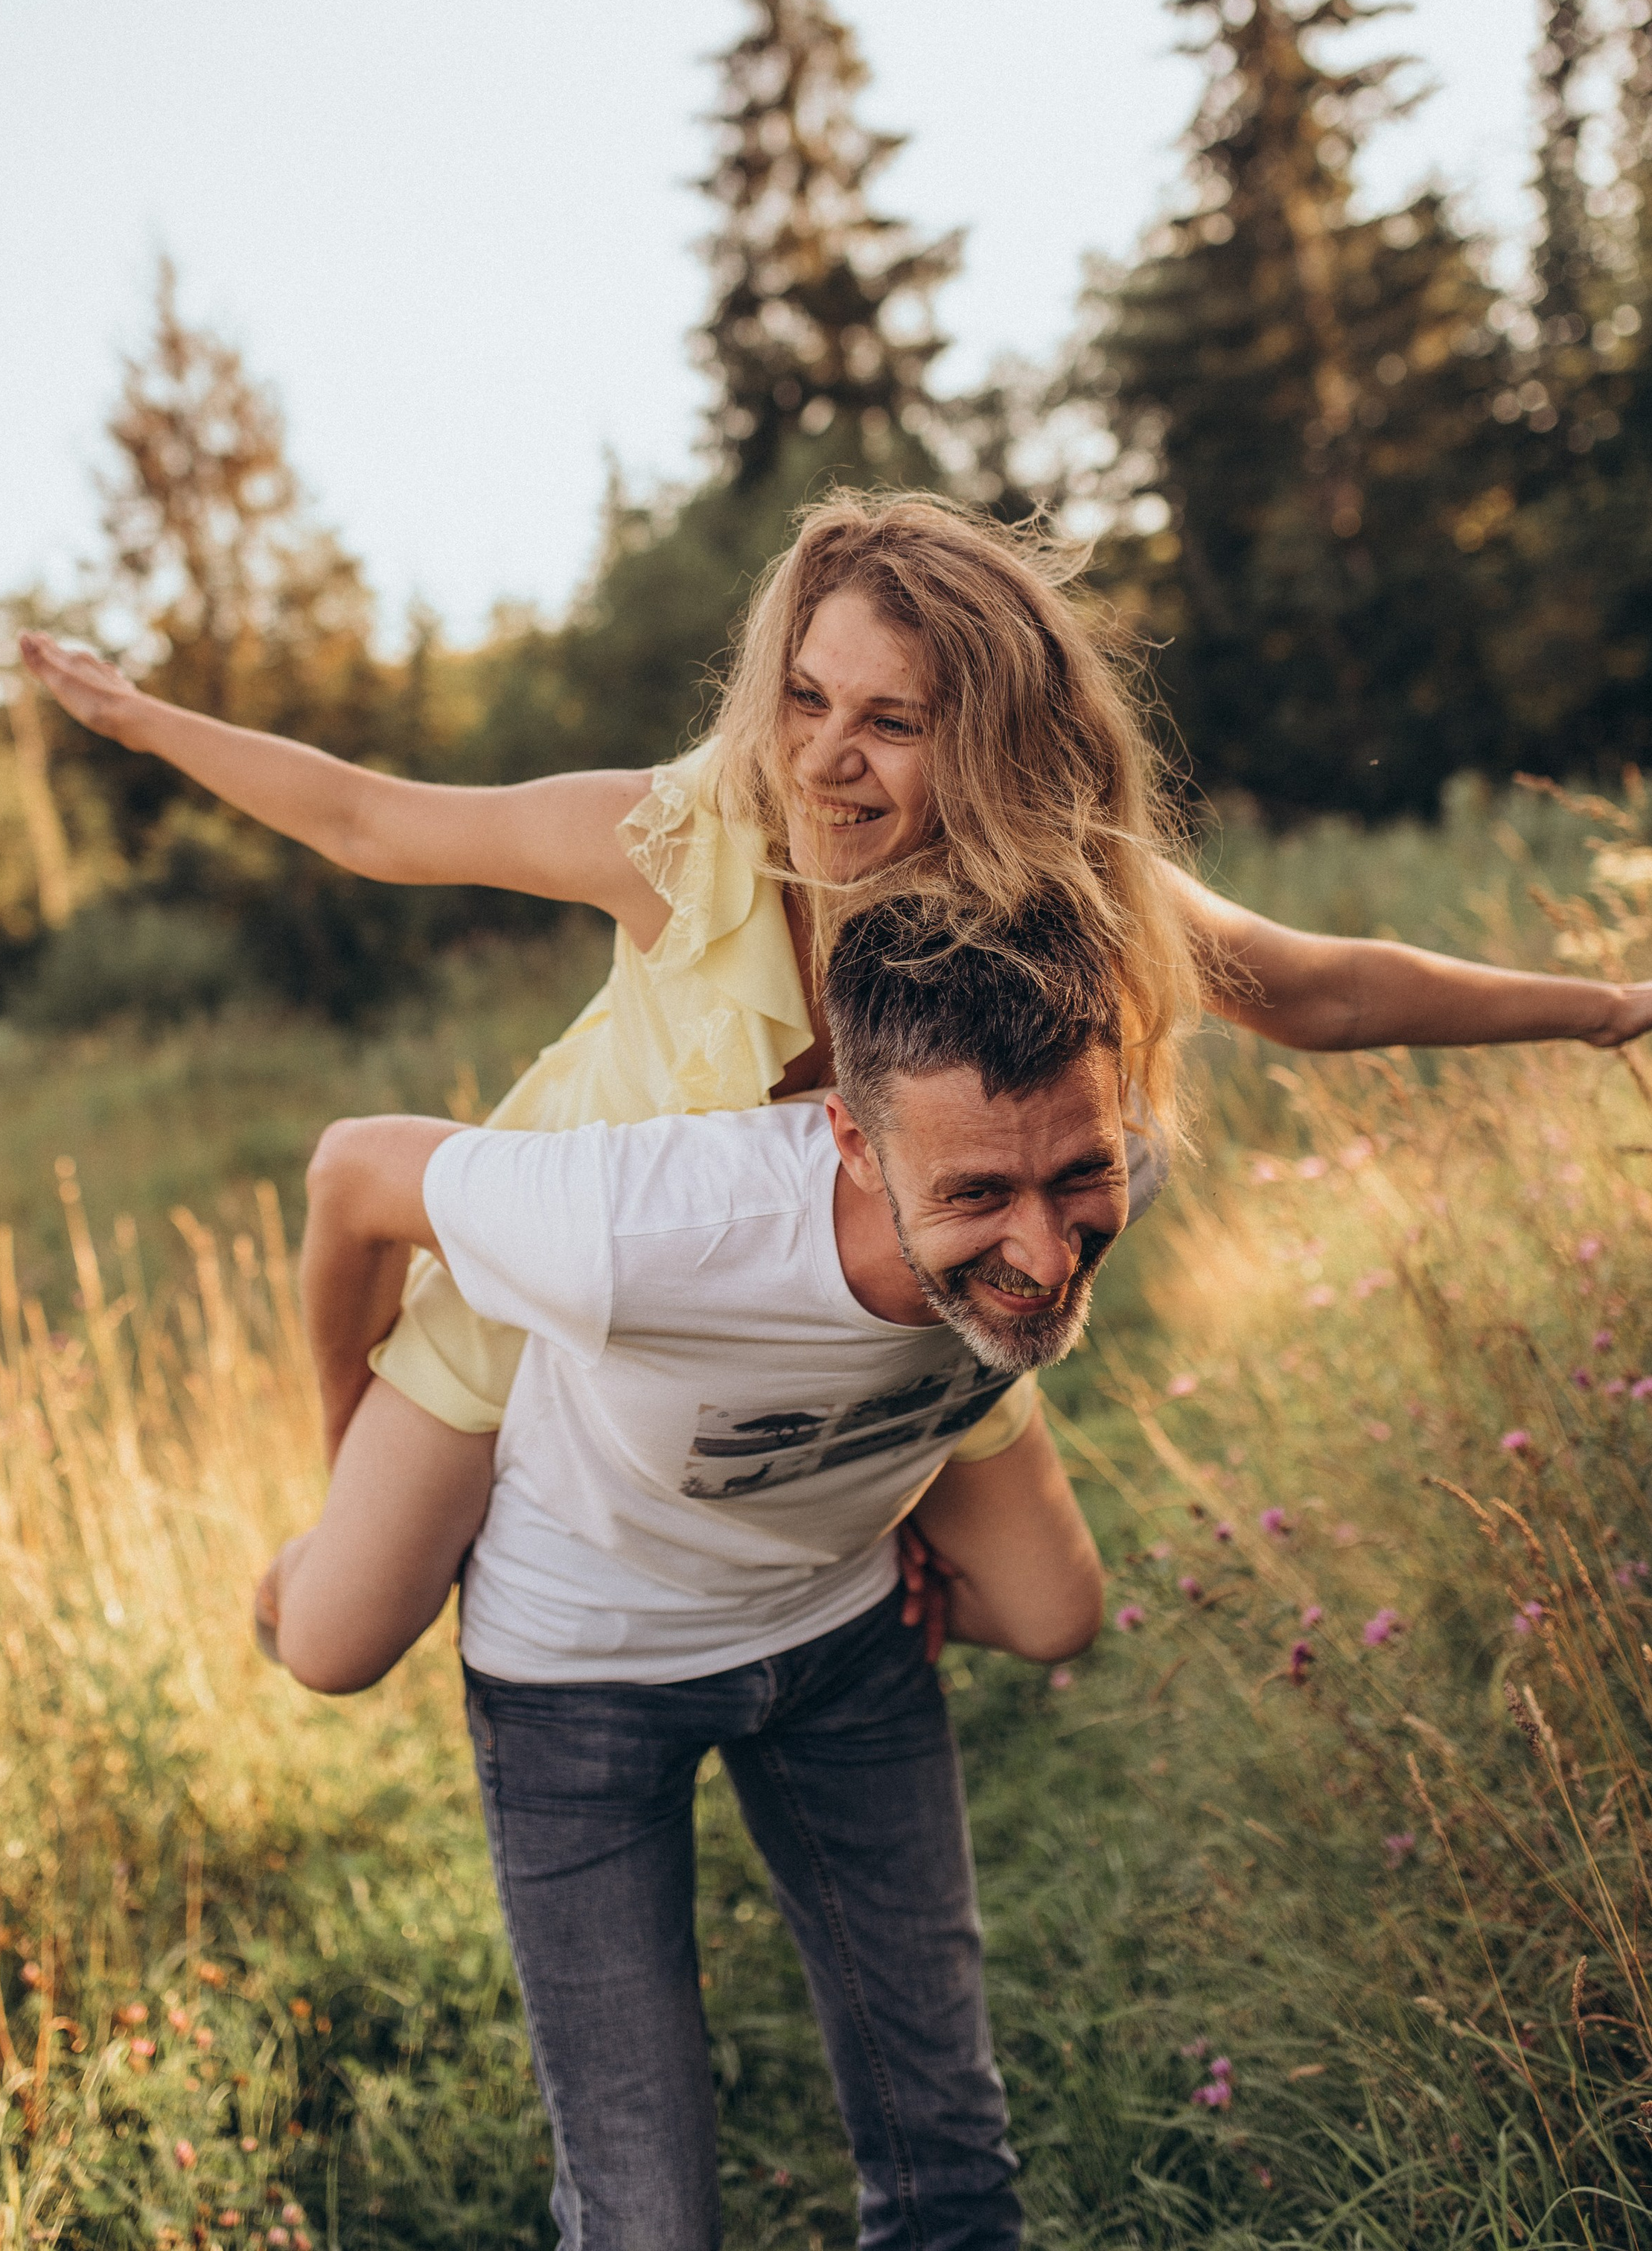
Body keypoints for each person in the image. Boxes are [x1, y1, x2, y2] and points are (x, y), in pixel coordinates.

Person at [21, 489, 1652, 1670]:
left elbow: (1318, 987)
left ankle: (829, 1569)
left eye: (890, 721)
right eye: (803, 698)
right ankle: (317, 1559)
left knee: (1050, 1617)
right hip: (559, 1292)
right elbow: (375, 820)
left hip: (870, 1323)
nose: (822, 757)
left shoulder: (1057, 892)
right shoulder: (681, 836)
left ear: (991, 739)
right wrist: (141, 721)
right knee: (335, 1645)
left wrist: (1601, 1011)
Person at [272, 895, 1128, 2250]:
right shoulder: (646, 1228)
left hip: (845, 1643)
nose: (1045, 1248)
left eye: (1080, 1176)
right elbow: (351, 1171)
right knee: (649, 2223)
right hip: (584, 1678)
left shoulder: (1088, 1152)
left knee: (953, 2161)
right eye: (977, 1196)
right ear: (854, 1144)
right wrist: (347, 1450)